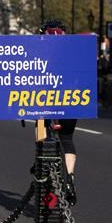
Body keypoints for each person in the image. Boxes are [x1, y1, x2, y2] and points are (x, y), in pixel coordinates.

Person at [39, 20, 78, 205]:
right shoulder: (73, 53)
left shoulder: (38, 53)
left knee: (42, 135)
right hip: (70, 103)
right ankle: (69, 177)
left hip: (45, 103)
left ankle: (42, 169)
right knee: (67, 139)